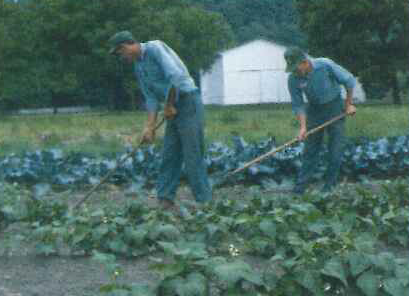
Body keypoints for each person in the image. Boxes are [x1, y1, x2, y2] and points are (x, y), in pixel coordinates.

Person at [108, 31, 212, 208]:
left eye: (120, 53)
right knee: (169, 154)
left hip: (187, 102)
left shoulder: (155, 48)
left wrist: (170, 104)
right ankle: (165, 199)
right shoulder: (138, 66)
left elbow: (175, 77)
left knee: (192, 154)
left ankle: (204, 202)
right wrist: (149, 127)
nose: (122, 58)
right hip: (171, 107)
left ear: (126, 46)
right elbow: (151, 98)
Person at [284, 46, 357, 194]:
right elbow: (298, 105)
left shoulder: (325, 65)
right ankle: (300, 188)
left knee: (335, 149)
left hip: (335, 107)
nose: (295, 71)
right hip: (314, 111)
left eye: (296, 68)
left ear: (305, 62)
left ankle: (329, 187)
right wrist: (303, 127)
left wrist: (348, 104)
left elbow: (349, 81)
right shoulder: (293, 79)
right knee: (310, 150)